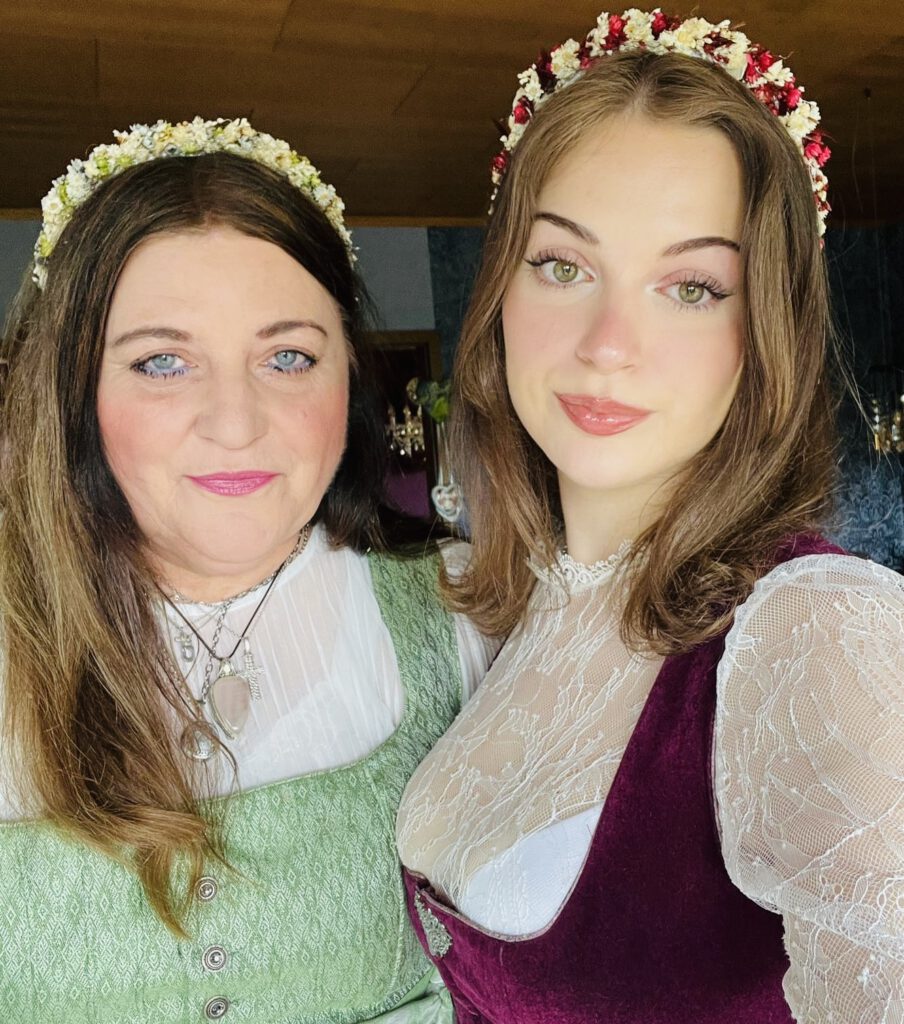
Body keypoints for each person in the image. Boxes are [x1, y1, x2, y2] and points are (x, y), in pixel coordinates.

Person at [396, 10, 904, 1023]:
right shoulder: (523, 604)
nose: (608, 344)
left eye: (692, 287)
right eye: (563, 266)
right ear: (500, 290)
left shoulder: (813, 631)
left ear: (764, 327)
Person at [0, 118, 495, 1022]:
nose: (235, 423)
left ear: (349, 377)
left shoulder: (465, 618)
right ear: (73, 392)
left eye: (287, 357)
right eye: (162, 362)